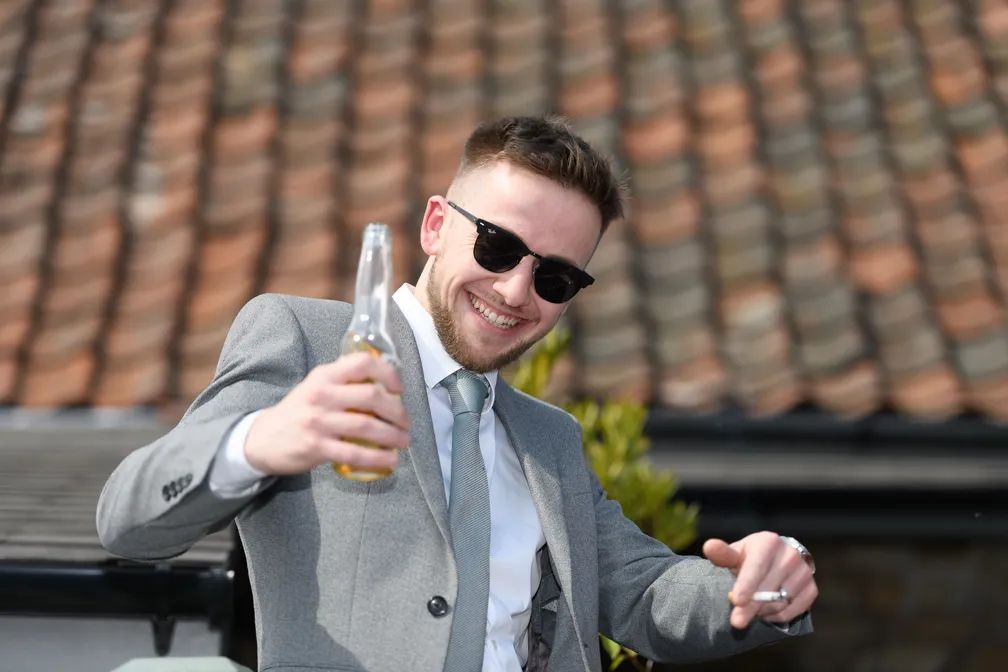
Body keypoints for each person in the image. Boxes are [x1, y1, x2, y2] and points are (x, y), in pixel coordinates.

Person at [97, 115, 816, 672]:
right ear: (437, 224)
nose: (515, 290)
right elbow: (129, 520)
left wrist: (760, 584)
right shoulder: (307, 340)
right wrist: (259, 440)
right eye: (499, 247)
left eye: (555, 278)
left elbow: (645, 591)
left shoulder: (550, 439)